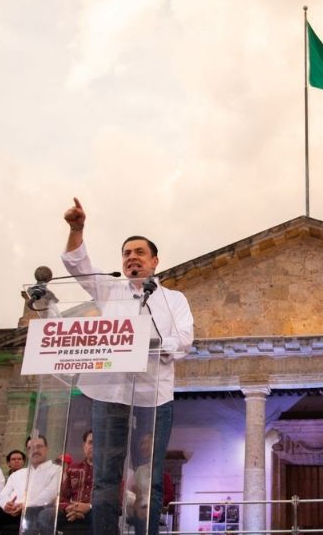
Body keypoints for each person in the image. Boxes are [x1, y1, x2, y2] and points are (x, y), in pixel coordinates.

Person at [61, 197, 194, 535]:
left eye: (139, 253)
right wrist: (76, 229)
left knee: (149, 479)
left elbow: (183, 340)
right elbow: (78, 265)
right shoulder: (110, 291)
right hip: (108, 395)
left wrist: (152, 345)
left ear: (154, 261)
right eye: (126, 254)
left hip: (154, 398)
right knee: (106, 477)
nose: (132, 258)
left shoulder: (174, 299)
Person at [0, 436, 62, 535]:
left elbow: (49, 494)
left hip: (36, 510)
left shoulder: (57, 470)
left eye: (39, 446)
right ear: (27, 451)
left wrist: (24, 505)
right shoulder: (17, 474)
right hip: (11, 512)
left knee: (33, 513)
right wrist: (7, 505)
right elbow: (1, 496)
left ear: (47, 449)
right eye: (31, 448)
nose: (35, 450)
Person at [50, 430, 94, 530]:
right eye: (90, 442)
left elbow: (117, 504)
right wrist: (71, 508)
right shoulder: (72, 469)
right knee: (46, 515)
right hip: (71, 511)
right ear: (84, 446)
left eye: (97, 443)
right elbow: (62, 497)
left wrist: (89, 507)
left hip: (96, 513)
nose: (93, 446)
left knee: (100, 517)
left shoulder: (110, 472)